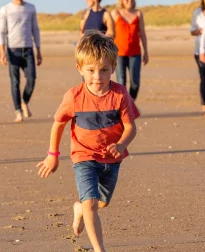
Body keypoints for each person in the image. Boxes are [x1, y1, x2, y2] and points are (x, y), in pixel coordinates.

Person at [36, 30, 140, 252]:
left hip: (112, 159)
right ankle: (99, 249)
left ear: (113, 67)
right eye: (91, 70)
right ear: (79, 69)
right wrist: (52, 156)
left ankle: (79, 208)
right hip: (83, 157)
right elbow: (58, 124)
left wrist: (122, 145)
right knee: (91, 204)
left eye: (104, 70)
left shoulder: (120, 94)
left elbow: (131, 127)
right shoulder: (74, 96)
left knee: (101, 202)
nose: (98, 77)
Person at [0, 0, 42, 122]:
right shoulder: (6, 9)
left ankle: (24, 101)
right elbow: (2, 31)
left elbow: (35, 29)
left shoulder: (30, 8)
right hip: (12, 50)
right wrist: (2, 52)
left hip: (28, 49)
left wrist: (38, 50)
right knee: (15, 82)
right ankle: (18, 111)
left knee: (31, 79)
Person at [110, 0, 149, 101]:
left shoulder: (138, 14)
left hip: (135, 53)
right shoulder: (115, 14)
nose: (129, 0)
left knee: (135, 83)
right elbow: (110, 33)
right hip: (119, 53)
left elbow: (142, 33)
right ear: (122, 0)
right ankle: (123, 108)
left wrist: (146, 52)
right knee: (121, 82)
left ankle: (130, 104)